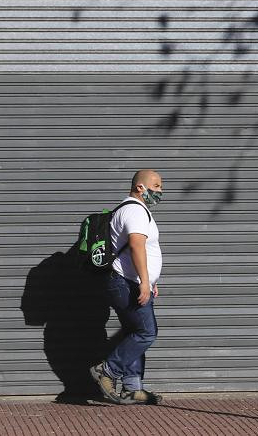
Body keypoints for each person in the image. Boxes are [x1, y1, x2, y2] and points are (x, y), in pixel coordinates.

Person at [90, 170, 165, 405]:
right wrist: (144, 281)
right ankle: (107, 370)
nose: (160, 191)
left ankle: (132, 387)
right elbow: (136, 246)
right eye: (156, 185)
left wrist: (150, 280)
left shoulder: (134, 210)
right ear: (140, 187)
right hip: (126, 282)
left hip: (127, 282)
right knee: (146, 332)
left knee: (134, 331)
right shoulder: (134, 210)